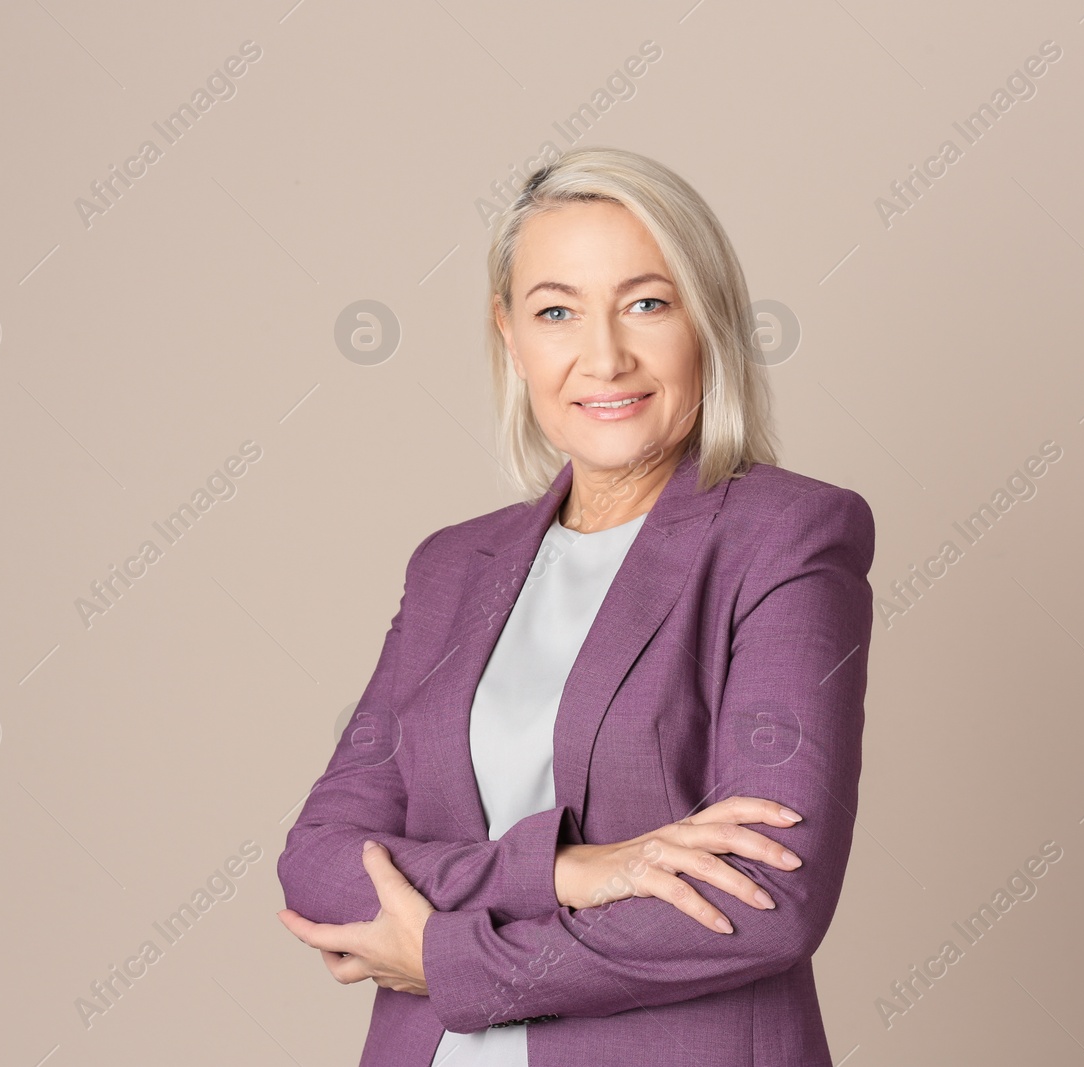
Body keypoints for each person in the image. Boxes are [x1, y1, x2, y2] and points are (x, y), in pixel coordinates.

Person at [275, 146, 876, 1067]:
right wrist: (569, 871)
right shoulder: (451, 568)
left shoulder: (788, 539)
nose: (605, 356)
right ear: (509, 334)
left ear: (707, 321)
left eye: (647, 302)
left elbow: (764, 900)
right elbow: (322, 861)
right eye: (557, 311)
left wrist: (447, 955)